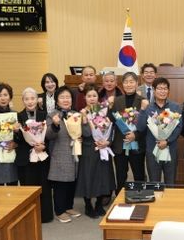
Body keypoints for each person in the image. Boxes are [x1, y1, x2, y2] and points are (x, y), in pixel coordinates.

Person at [76, 85, 116, 217]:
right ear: (85, 98)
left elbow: (112, 128)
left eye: (94, 96)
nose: (92, 98)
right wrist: (84, 121)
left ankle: (99, 204)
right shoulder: (81, 113)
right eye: (89, 96)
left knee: (103, 177)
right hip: (89, 148)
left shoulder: (104, 111)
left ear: (98, 97)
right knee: (88, 176)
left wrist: (107, 141)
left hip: (103, 148)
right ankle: (88, 206)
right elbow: (86, 133)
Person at [16, 87, 52, 223]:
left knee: (44, 186)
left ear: (37, 100)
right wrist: (16, 132)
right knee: (28, 187)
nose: (30, 101)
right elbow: (17, 140)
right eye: (27, 99)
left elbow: (50, 136)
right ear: (23, 101)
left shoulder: (44, 115)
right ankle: (29, 217)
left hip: (42, 155)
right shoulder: (18, 116)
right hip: (26, 157)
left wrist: (44, 146)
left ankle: (45, 216)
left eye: (32, 98)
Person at [45, 86, 81, 223]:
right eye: (62, 97)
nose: (66, 100)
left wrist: (80, 138)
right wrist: (55, 124)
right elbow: (48, 135)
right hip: (59, 152)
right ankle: (59, 211)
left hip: (74, 152)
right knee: (60, 182)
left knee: (72, 181)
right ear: (57, 100)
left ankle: (68, 207)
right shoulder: (52, 115)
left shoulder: (76, 114)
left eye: (68, 97)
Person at [137, 77, 182, 185]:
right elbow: (140, 128)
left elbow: (178, 128)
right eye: (159, 88)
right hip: (152, 151)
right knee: (154, 183)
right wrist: (142, 110)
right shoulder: (147, 107)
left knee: (170, 183)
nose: (162, 91)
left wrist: (167, 141)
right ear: (154, 90)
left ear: (168, 91)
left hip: (170, 150)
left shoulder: (175, 107)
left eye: (165, 88)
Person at [111, 72, 147, 194]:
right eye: (126, 82)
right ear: (122, 84)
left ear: (137, 84)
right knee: (120, 176)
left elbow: (147, 125)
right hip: (120, 145)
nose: (129, 84)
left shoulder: (143, 102)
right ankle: (119, 199)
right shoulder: (117, 101)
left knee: (139, 175)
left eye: (131, 82)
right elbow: (111, 121)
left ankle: (141, 197)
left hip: (137, 145)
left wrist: (135, 135)